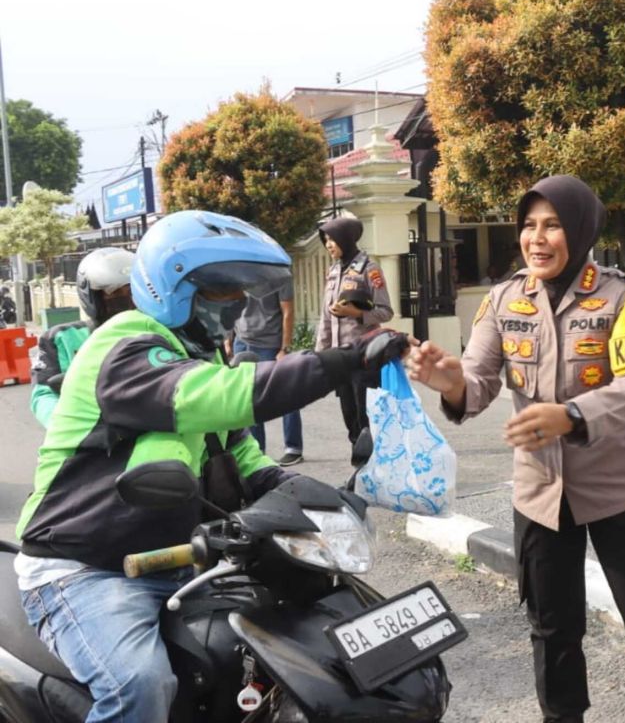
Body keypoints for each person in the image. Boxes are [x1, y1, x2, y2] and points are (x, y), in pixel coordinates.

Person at [14, 210, 406, 722]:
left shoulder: (196, 353)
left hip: (177, 558)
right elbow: (224, 398)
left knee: (258, 660)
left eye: (241, 292)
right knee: (140, 683)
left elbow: (240, 456)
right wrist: (346, 360)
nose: (237, 304)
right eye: (220, 291)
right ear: (169, 288)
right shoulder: (124, 347)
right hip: (85, 568)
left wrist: (310, 495)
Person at [408, 175, 625, 723]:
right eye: (528, 226)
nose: (536, 239)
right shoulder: (503, 300)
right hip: (539, 493)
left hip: (619, 490)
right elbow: (476, 383)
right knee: (552, 625)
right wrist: (448, 381)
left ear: (582, 230)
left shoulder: (623, 296)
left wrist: (569, 416)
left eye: (552, 226)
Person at [316, 216, 395, 455]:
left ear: (346, 239)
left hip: (364, 357)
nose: (329, 245)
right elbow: (325, 318)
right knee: (350, 419)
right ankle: (361, 467)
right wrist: (319, 355)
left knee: (366, 419)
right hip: (340, 358)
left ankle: (374, 469)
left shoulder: (369, 270)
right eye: (326, 240)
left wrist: (356, 313)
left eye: (333, 240)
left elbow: (385, 312)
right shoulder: (333, 271)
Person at [30, 248, 135, 428]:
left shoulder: (162, 331)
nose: (126, 298)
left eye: (131, 291)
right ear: (93, 296)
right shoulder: (61, 338)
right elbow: (43, 395)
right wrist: (68, 426)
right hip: (90, 439)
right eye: (115, 293)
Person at [228, 277, 304, 465]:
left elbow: (288, 311)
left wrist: (284, 348)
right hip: (241, 341)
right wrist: (227, 339)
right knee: (246, 397)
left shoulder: (279, 275)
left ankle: (293, 447)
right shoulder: (236, 272)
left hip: (269, 343)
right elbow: (230, 306)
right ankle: (256, 449)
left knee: (284, 392)